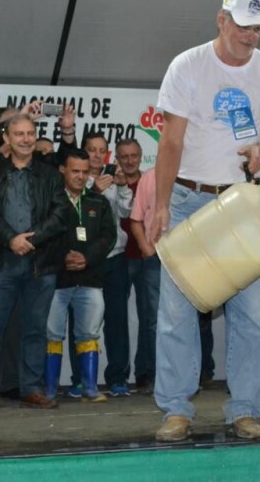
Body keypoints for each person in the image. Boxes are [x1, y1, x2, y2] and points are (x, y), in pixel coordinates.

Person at [151, 0, 260, 442]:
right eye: (244, 27)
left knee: (253, 313)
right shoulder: (187, 66)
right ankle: (176, 410)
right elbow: (170, 141)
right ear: (222, 20)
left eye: (257, 29)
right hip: (189, 200)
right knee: (176, 312)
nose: (250, 37)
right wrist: (162, 204)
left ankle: (245, 409)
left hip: (243, 205)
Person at [0, 114, 69, 411]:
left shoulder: (50, 174)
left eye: (30, 133)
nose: (26, 139)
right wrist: (11, 239)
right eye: (19, 134)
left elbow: (61, 213)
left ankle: (32, 388)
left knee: (36, 329)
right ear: (7, 139)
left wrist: (31, 240)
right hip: (1, 261)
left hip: (40, 264)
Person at [44, 150, 116, 402]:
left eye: (85, 172)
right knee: (52, 334)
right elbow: (43, 234)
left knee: (89, 334)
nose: (81, 177)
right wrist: (63, 256)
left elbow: (109, 236)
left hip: (90, 278)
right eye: (75, 171)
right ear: (63, 170)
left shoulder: (98, 201)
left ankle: (90, 388)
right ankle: (50, 390)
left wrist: (87, 258)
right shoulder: (50, 201)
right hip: (56, 279)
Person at [81, 132, 133, 396]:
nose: (97, 155)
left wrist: (123, 187)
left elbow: (126, 213)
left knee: (117, 320)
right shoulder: (75, 179)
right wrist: (92, 191)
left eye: (102, 150)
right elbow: (73, 212)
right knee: (83, 321)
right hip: (87, 260)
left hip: (115, 257)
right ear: (84, 151)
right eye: (92, 149)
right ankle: (81, 379)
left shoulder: (113, 180)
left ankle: (117, 378)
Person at [115, 139, 159, 395]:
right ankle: (119, 376)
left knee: (149, 319)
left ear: (141, 156)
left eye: (134, 156)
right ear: (117, 158)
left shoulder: (151, 182)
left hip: (147, 257)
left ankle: (146, 373)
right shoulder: (109, 183)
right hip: (119, 258)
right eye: (124, 156)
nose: (130, 161)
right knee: (117, 320)